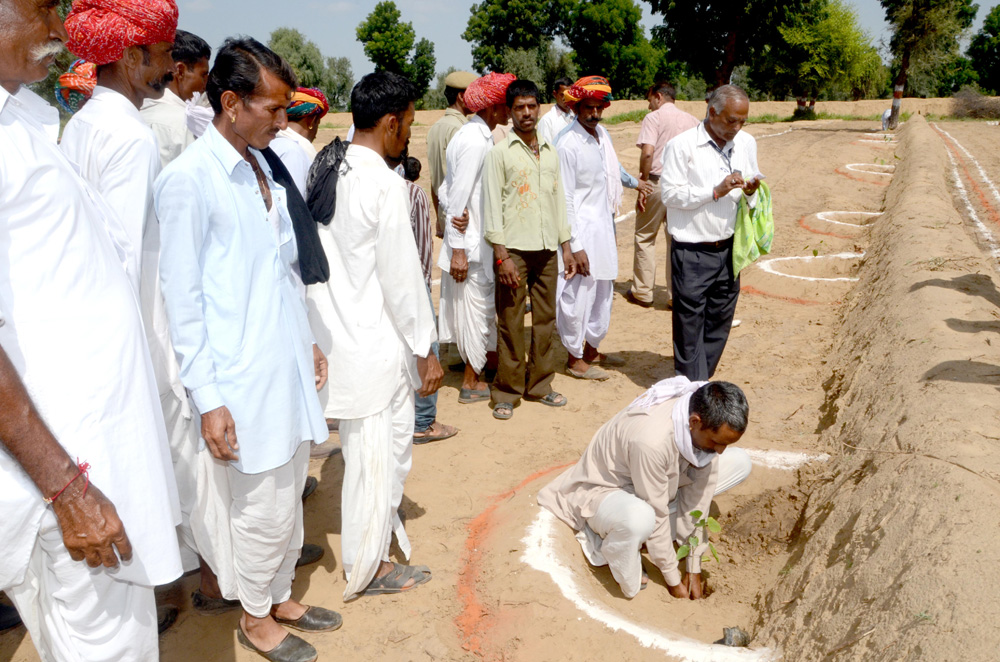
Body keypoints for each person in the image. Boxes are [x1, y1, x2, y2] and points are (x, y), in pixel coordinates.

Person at [0, 0, 183, 658]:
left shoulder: (24, 115)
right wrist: (67, 488)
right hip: (72, 469)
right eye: (43, 10)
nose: (60, 33)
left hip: (90, 453)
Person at [156, 37, 341, 660]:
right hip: (238, 377)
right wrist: (208, 398)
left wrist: (309, 340)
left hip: (284, 361)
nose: (283, 120)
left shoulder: (261, 166)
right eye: (274, 108)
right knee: (258, 503)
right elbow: (182, 302)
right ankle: (256, 618)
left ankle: (280, 592)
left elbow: (285, 271)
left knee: (289, 486)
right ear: (231, 103)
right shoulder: (188, 180)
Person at [307, 72, 442, 601]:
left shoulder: (328, 166)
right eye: (408, 124)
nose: (408, 135)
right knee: (376, 460)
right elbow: (402, 280)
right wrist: (425, 349)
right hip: (374, 347)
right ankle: (370, 568)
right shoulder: (383, 184)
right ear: (390, 124)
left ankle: (376, 549)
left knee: (368, 456)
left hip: (337, 339)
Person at [538, 378, 752, 599]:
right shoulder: (651, 442)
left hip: (656, 481)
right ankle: (612, 540)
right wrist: (672, 577)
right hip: (607, 489)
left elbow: (698, 500)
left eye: (726, 444)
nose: (720, 450)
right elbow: (656, 511)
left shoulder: (700, 423)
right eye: (717, 442)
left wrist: (693, 564)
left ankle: (653, 536)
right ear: (694, 421)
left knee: (740, 462)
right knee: (641, 518)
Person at [59, 0, 178, 295]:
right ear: (132, 57)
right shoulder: (132, 136)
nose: (172, 67)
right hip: (126, 321)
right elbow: (125, 260)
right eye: (166, 53)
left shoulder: (80, 122)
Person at [483, 79, 576, 421]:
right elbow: (492, 207)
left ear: (540, 108)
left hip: (548, 249)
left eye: (532, 106)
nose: (526, 113)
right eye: (519, 107)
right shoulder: (499, 154)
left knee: (545, 319)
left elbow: (559, 203)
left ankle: (540, 385)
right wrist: (502, 255)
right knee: (509, 321)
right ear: (509, 112)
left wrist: (566, 247)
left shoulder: (550, 151)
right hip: (515, 252)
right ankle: (506, 391)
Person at [661, 85, 762, 380]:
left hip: (729, 250)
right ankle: (691, 390)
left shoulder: (745, 143)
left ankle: (699, 380)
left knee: (719, 324)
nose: (737, 128)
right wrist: (714, 191)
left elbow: (751, 190)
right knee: (689, 329)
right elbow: (670, 195)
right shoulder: (682, 146)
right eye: (732, 120)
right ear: (712, 112)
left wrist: (751, 192)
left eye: (743, 121)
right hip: (692, 252)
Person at [437, 72, 514, 404]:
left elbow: (445, 190)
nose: (510, 111)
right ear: (494, 107)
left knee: (482, 311)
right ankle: (471, 381)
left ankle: (487, 367)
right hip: (470, 248)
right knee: (476, 313)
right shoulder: (472, 140)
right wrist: (458, 250)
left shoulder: (477, 135)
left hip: (475, 241)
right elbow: (455, 197)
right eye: (506, 105)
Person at [555, 75, 628, 382]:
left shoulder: (602, 135)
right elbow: (565, 196)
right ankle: (573, 358)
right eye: (588, 107)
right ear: (575, 107)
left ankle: (591, 349)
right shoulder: (568, 143)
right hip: (581, 231)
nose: (594, 114)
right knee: (577, 294)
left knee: (603, 290)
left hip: (603, 227)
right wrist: (574, 243)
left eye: (599, 108)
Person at [400, 155, 459, 444]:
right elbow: (423, 248)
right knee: (426, 345)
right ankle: (423, 422)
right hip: (411, 284)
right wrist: (424, 291)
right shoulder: (412, 193)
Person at [626, 81, 700, 309]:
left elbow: (648, 153)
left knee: (645, 236)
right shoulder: (692, 121)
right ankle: (674, 294)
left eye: (650, 100)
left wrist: (643, 181)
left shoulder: (654, 118)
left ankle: (643, 292)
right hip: (683, 186)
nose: (649, 106)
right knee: (676, 240)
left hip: (658, 182)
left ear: (658, 97)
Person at [140, 29, 211, 168]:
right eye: (203, 74)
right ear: (180, 71)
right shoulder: (187, 123)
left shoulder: (139, 111)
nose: (206, 83)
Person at [427, 70, 477, 237]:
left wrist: (439, 218)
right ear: (462, 97)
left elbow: (435, 180)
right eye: (473, 94)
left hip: (445, 213)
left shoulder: (436, 127)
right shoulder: (463, 129)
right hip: (463, 219)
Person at [272, 86, 329, 196]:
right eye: (318, 123)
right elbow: (294, 204)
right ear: (312, 121)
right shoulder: (293, 151)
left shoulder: (273, 141)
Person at [537, 76, 574, 145]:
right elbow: (545, 150)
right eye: (562, 95)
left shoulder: (576, 117)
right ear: (555, 94)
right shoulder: (547, 121)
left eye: (569, 94)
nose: (566, 99)